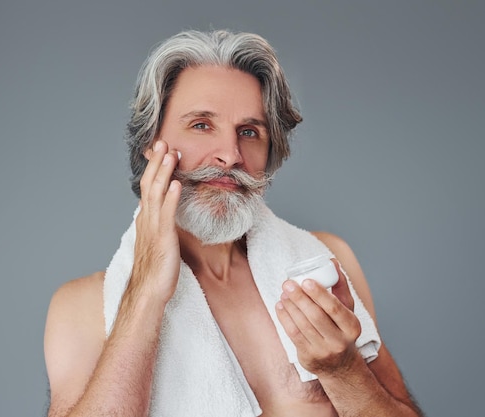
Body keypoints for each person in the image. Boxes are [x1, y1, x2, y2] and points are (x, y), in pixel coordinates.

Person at [44, 29, 424, 417]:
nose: (229, 155)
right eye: (201, 125)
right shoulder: (81, 307)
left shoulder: (325, 266)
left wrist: (344, 371)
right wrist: (144, 293)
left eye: (249, 132)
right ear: (151, 142)